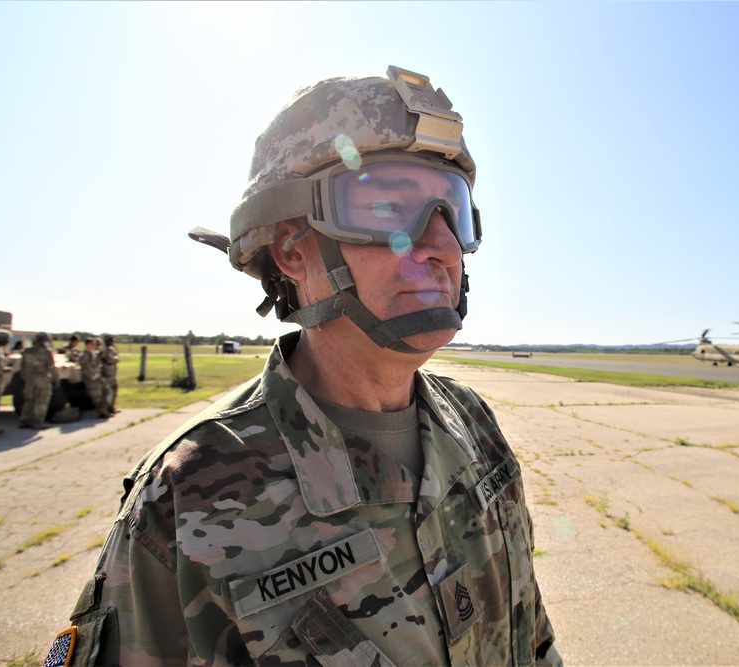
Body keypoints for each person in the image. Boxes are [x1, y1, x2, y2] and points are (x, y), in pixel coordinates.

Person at [47, 66, 559, 667]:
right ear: (293, 252)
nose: (441, 246)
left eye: (453, 213)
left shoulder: (475, 424)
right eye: (391, 206)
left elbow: (532, 635)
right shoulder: (186, 497)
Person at [19, 331, 57, 429]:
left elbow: (22, 366)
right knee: (41, 401)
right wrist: (56, 379)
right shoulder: (47, 352)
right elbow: (51, 367)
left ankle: (24, 421)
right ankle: (38, 423)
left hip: (29, 379)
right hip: (42, 379)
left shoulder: (27, 351)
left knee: (28, 400)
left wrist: (24, 377)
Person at [80, 337, 111, 419]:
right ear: (87, 345)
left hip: (98, 377)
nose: (94, 346)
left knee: (107, 392)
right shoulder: (84, 355)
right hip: (91, 379)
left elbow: (100, 359)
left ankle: (105, 410)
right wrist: (95, 376)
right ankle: (103, 413)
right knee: (97, 397)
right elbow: (87, 369)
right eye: (92, 344)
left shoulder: (93, 354)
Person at [98, 333, 120, 413]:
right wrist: (114, 359)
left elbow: (116, 358)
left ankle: (112, 407)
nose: (112, 341)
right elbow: (109, 359)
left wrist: (114, 359)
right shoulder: (103, 349)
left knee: (115, 389)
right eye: (110, 339)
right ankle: (105, 409)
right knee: (107, 392)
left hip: (113, 372)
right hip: (107, 373)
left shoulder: (112, 349)